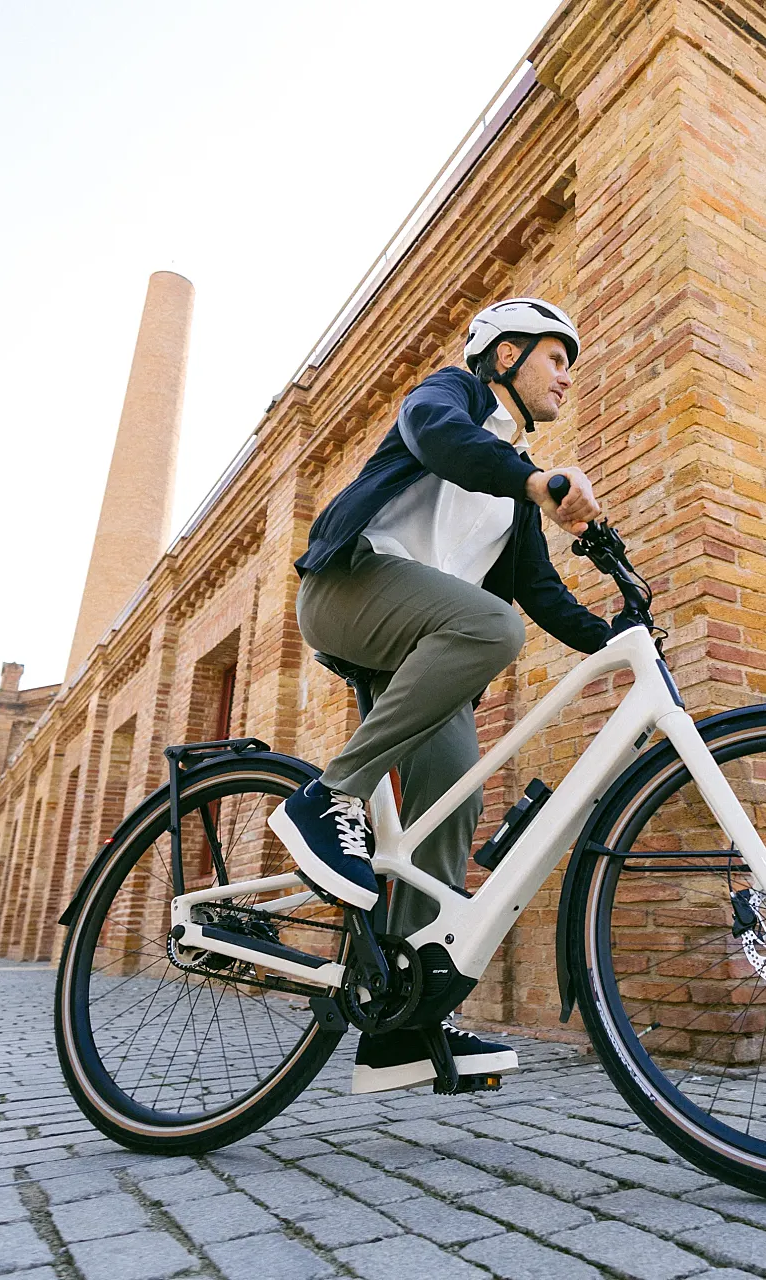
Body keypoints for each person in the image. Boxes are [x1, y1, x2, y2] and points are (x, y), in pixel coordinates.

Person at [268, 297, 613, 1094]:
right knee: (492, 629)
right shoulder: (449, 400)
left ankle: (402, 1025)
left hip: (419, 639)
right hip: (348, 588)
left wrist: (619, 635)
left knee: (456, 795)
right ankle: (328, 798)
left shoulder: (512, 475)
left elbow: (538, 590)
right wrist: (537, 482)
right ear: (503, 358)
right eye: (555, 357)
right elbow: (438, 441)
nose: (568, 375)